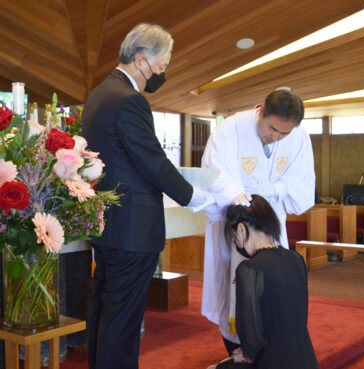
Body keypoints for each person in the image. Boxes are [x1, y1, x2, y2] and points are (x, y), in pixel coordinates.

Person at [82, 23, 212, 369]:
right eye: (163, 66)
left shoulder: (98, 95)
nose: (162, 74)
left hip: (108, 223)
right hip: (132, 231)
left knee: (106, 313)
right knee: (123, 322)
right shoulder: (130, 100)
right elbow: (152, 161)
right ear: (141, 60)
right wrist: (195, 197)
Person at [202, 89, 315, 354]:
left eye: (284, 134)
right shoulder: (231, 129)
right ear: (261, 111)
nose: (276, 138)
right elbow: (213, 172)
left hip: (271, 224)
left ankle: (269, 349)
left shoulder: (299, 138)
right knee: (233, 294)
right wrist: (239, 195)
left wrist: (271, 190)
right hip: (236, 225)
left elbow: (302, 185)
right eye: (272, 129)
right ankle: (236, 349)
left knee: (273, 291)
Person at [208, 195, 318, 369]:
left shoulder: (249, 270)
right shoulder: (296, 259)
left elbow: (253, 341)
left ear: (242, 230)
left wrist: (243, 356)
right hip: (307, 361)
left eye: (233, 234)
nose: (235, 241)